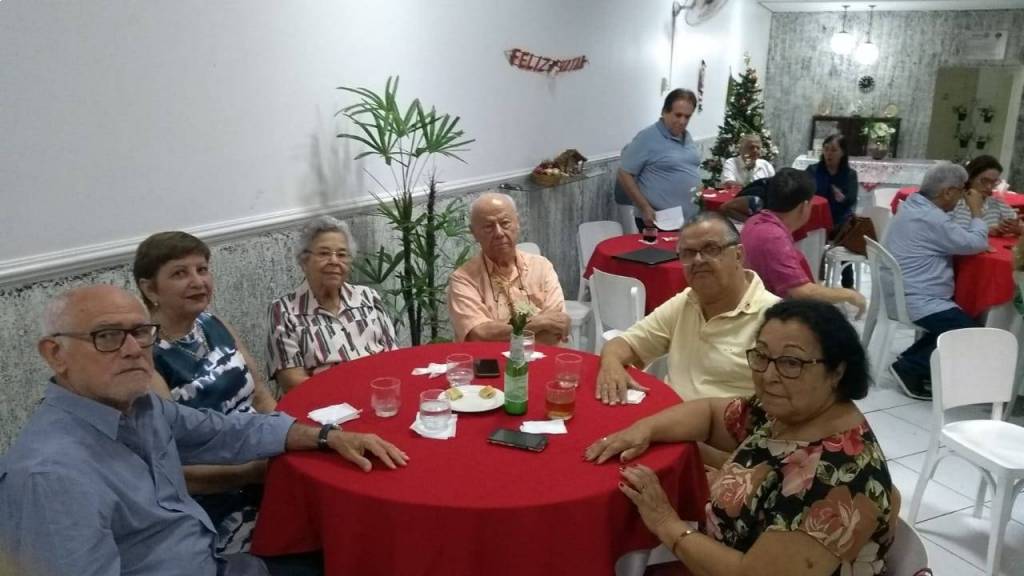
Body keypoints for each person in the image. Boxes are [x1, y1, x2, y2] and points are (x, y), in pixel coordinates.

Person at [0, 285, 408, 576]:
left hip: (216, 560)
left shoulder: (142, 408)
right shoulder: (49, 477)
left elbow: (226, 431)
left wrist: (327, 436)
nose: (132, 350)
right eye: (106, 336)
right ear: (56, 354)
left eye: (140, 333)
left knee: (363, 556)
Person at [585, 299, 895, 576]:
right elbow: (709, 415)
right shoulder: (785, 412)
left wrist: (666, 522)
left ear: (837, 371)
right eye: (762, 356)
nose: (768, 375)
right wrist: (644, 430)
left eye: (791, 363)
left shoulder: (839, 475)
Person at [134, 231, 277, 554]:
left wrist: (289, 437)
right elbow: (173, 471)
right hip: (217, 499)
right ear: (150, 289)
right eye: (179, 273)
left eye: (202, 269)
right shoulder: (144, 356)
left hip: (264, 462)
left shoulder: (214, 323)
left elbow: (261, 395)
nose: (197, 281)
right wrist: (255, 472)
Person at [596, 211, 779, 404]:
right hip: (669, 414)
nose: (698, 260)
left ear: (738, 255)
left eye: (711, 249)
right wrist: (611, 363)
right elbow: (625, 344)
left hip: (727, 422)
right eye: (688, 253)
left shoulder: (773, 319)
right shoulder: (687, 301)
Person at [885, 163, 988, 399]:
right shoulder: (931, 218)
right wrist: (976, 211)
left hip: (903, 291)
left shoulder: (913, 205)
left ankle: (911, 358)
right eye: (961, 191)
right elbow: (975, 244)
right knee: (970, 332)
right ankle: (909, 368)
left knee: (959, 322)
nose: (962, 198)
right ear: (948, 192)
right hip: (917, 298)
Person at [267, 216, 398, 393]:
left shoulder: (368, 297)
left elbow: (394, 358)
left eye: (342, 255)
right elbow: (292, 383)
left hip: (377, 395)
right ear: (304, 262)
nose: (334, 261)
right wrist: (351, 391)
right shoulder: (284, 311)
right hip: (322, 403)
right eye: (324, 253)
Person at [447, 192, 570, 344]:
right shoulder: (463, 279)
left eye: (505, 223)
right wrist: (537, 323)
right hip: (488, 360)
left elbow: (554, 331)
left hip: (542, 356)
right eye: (488, 227)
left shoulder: (542, 267)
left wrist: (498, 337)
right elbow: (479, 334)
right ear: (474, 233)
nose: (499, 233)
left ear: (517, 223)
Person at [741, 168, 867, 316]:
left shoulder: (755, 220)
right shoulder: (773, 237)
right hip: (768, 315)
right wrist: (850, 295)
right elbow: (802, 292)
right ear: (804, 207)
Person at [618, 89, 701, 230]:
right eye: (678, 115)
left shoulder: (687, 137)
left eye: (687, 117)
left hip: (689, 221)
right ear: (664, 112)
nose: (682, 121)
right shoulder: (647, 137)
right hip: (659, 221)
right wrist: (644, 207)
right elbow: (624, 173)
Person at [806, 134, 859, 288]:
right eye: (826, 149)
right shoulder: (813, 170)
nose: (829, 154)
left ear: (843, 153)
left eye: (834, 150)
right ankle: (812, 278)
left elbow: (851, 199)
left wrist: (842, 198)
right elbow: (804, 193)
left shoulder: (850, 175)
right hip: (816, 221)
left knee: (847, 228)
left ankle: (847, 282)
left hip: (839, 222)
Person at [951, 154, 1021, 236]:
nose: (989, 186)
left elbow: (1018, 224)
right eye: (984, 181)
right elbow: (947, 235)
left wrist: (1017, 229)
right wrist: (987, 230)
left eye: (994, 182)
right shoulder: (953, 204)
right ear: (970, 178)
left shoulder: (996, 203)